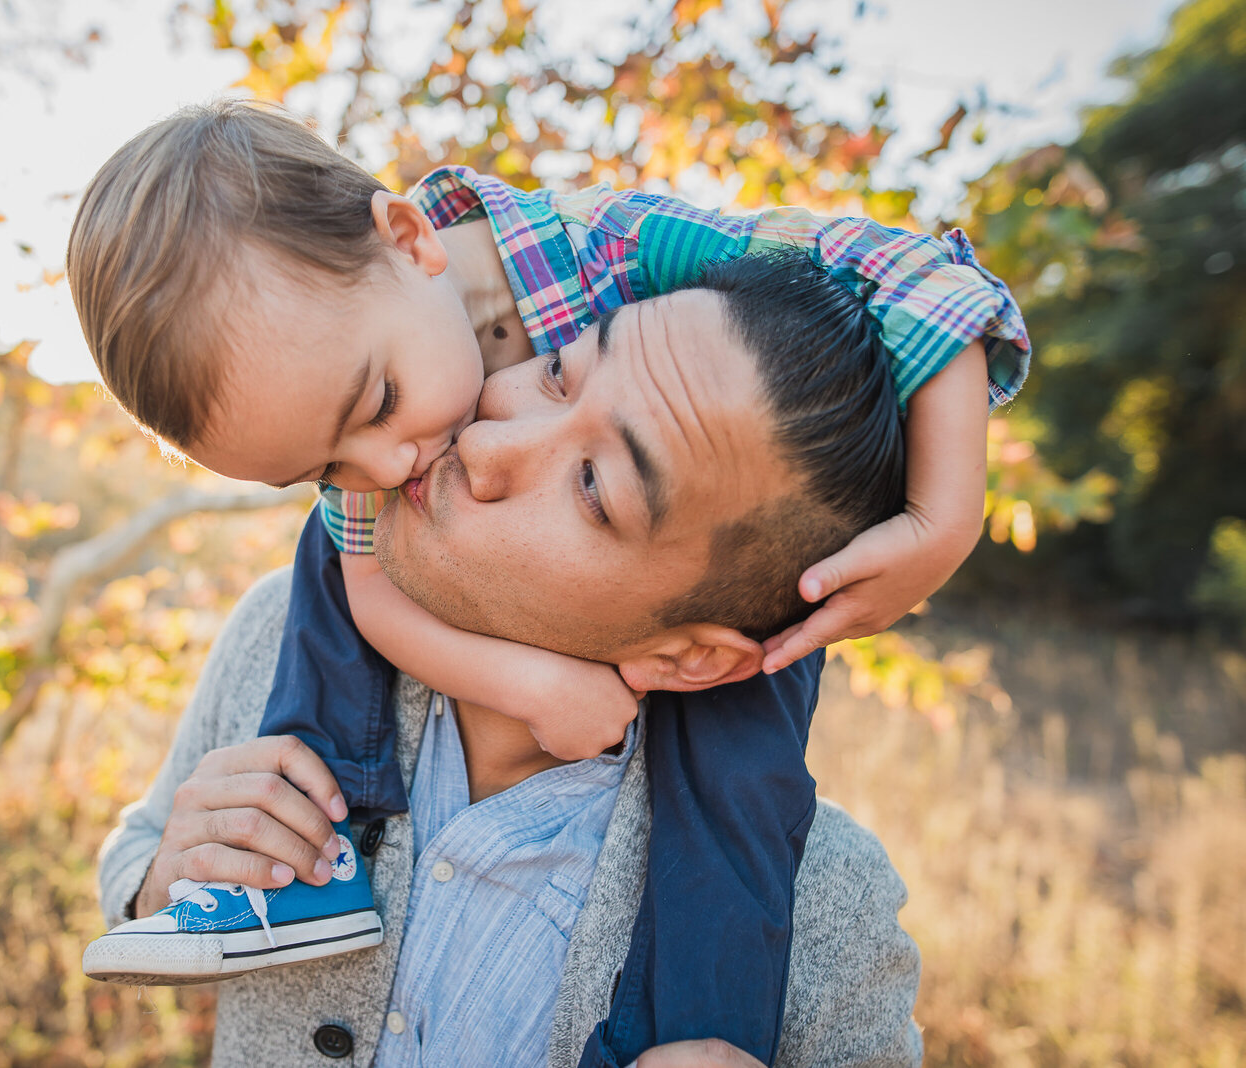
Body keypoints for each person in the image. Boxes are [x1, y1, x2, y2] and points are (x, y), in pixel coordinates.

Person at [66, 100, 1026, 1063]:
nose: (427, 457)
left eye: (595, 486)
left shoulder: (598, 244)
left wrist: (942, 523)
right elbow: (143, 844)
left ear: (412, 239)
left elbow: (920, 276)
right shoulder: (277, 630)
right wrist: (165, 878)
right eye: (557, 375)